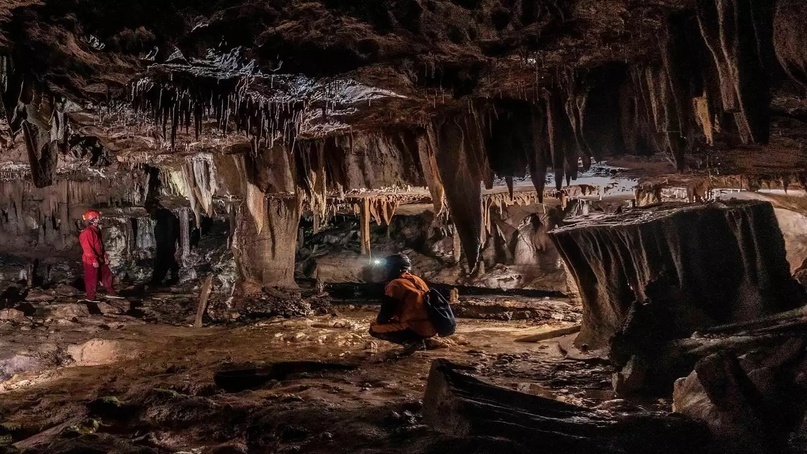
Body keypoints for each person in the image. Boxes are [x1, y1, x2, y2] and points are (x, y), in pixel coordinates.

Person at [369, 253, 437, 354]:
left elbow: (385, 313)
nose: (385, 272)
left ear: (394, 269)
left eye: (387, 269)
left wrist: (381, 321)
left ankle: (411, 342)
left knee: (374, 328)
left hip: (415, 326)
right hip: (433, 326)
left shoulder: (395, 284)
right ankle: (422, 340)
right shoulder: (418, 280)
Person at [79, 210, 117, 301]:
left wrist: (105, 256)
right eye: (96, 218)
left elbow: (100, 245)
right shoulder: (87, 233)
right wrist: (93, 260)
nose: (98, 219)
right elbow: (87, 248)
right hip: (90, 259)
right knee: (92, 277)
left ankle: (111, 291)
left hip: (99, 257)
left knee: (106, 274)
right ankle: (90, 296)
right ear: (91, 219)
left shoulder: (96, 230)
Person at [147, 201, 181, 286]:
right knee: (165, 260)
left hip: (166, 244)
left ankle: (161, 279)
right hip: (166, 244)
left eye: (151, 211)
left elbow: (170, 232)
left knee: (165, 260)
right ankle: (161, 278)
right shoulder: (164, 219)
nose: (151, 214)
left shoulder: (165, 219)